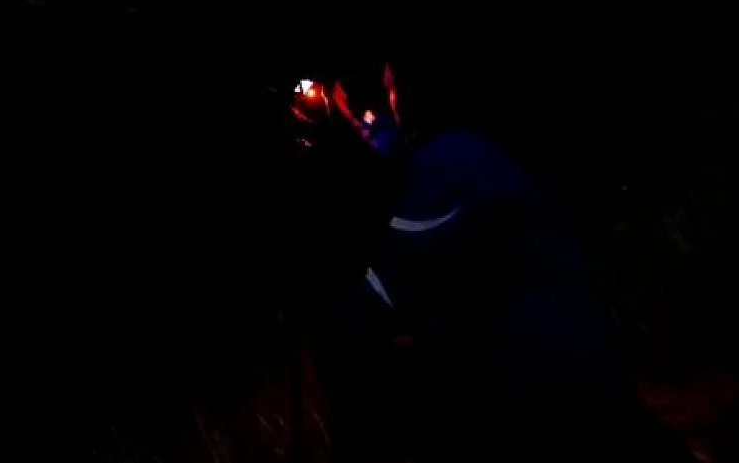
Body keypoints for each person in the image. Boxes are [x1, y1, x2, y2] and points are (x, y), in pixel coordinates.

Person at [290, 60, 697, 463]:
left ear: (412, 93)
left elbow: (388, 292)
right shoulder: (466, 152)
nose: (387, 99)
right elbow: (393, 152)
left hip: (546, 370)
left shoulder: (448, 165)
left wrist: (313, 329)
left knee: (391, 373)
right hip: (562, 354)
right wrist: (354, 119)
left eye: (391, 88)